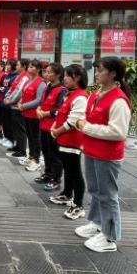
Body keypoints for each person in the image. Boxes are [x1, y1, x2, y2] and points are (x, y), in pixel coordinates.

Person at [75, 57, 132, 253]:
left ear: (113, 73)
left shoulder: (118, 100)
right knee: (95, 190)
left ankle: (110, 237)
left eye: (100, 70)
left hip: (107, 156)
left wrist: (86, 127)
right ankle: (98, 223)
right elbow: (86, 117)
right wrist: (82, 123)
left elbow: (118, 132)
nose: (97, 74)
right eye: (96, 70)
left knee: (107, 195)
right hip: (91, 151)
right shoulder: (96, 94)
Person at [50, 64, 89, 220]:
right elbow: (61, 114)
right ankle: (67, 194)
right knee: (68, 169)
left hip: (72, 141)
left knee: (75, 173)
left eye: (67, 75)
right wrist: (55, 127)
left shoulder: (81, 97)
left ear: (77, 77)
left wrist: (57, 130)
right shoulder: (69, 94)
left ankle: (78, 205)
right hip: (63, 139)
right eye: (64, 75)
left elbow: (73, 121)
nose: (64, 78)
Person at [36, 63, 67, 192]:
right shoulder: (47, 87)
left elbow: (59, 109)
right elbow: (41, 102)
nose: (46, 74)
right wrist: (38, 109)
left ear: (58, 74)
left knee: (55, 155)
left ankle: (56, 179)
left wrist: (45, 113)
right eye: (46, 71)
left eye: (49, 72)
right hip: (43, 125)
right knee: (46, 152)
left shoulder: (62, 90)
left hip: (53, 127)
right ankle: (48, 174)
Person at [18, 59, 46, 172]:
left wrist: (24, 105)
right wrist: (20, 102)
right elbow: (24, 94)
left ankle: (36, 160)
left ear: (38, 69)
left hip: (34, 114)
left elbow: (39, 100)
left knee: (36, 138)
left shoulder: (41, 83)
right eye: (28, 66)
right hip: (26, 113)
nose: (29, 68)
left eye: (32, 67)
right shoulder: (29, 80)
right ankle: (30, 156)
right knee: (29, 136)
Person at [4, 59, 30, 158]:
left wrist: (9, 100)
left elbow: (19, 92)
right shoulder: (19, 76)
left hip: (17, 106)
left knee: (20, 128)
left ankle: (22, 149)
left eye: (18, 65)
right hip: (13, 105)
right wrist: (7, 97)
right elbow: (12, 88)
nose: (16, 66)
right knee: (15, 127)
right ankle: (17, 145)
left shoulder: (25, 77)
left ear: (24, 66)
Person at [0, 59, 20, 150]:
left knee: (10, 123)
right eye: (6, 65)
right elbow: (4, 86)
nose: (6, 66)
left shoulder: (16, 76)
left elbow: (15, 90)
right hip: (3, 101)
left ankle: (11, 140)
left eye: (8, 65)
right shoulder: (7, 76)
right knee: (5, 122)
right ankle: (6, 137)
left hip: (10, 104)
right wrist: (2, 89)